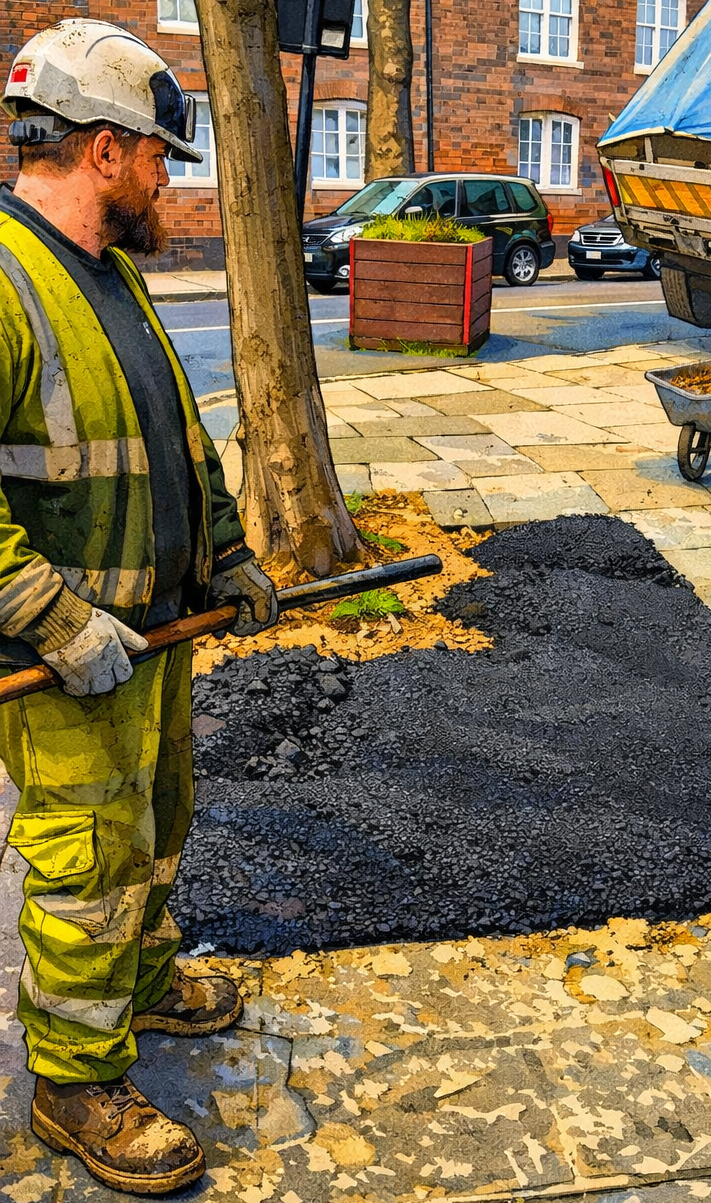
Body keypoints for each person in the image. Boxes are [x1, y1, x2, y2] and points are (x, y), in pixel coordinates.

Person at [0, 20, 278, 1194]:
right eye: (162, 152)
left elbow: (172, 434)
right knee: (88, 864)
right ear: (105, 150)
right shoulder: (9, 286)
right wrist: (55, 622)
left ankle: (143, 987)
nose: (171, 174)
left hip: (154, 634)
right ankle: (72, 1084)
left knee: (158, 826)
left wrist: (224, 552)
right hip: (65, 659)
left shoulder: (107, 275)